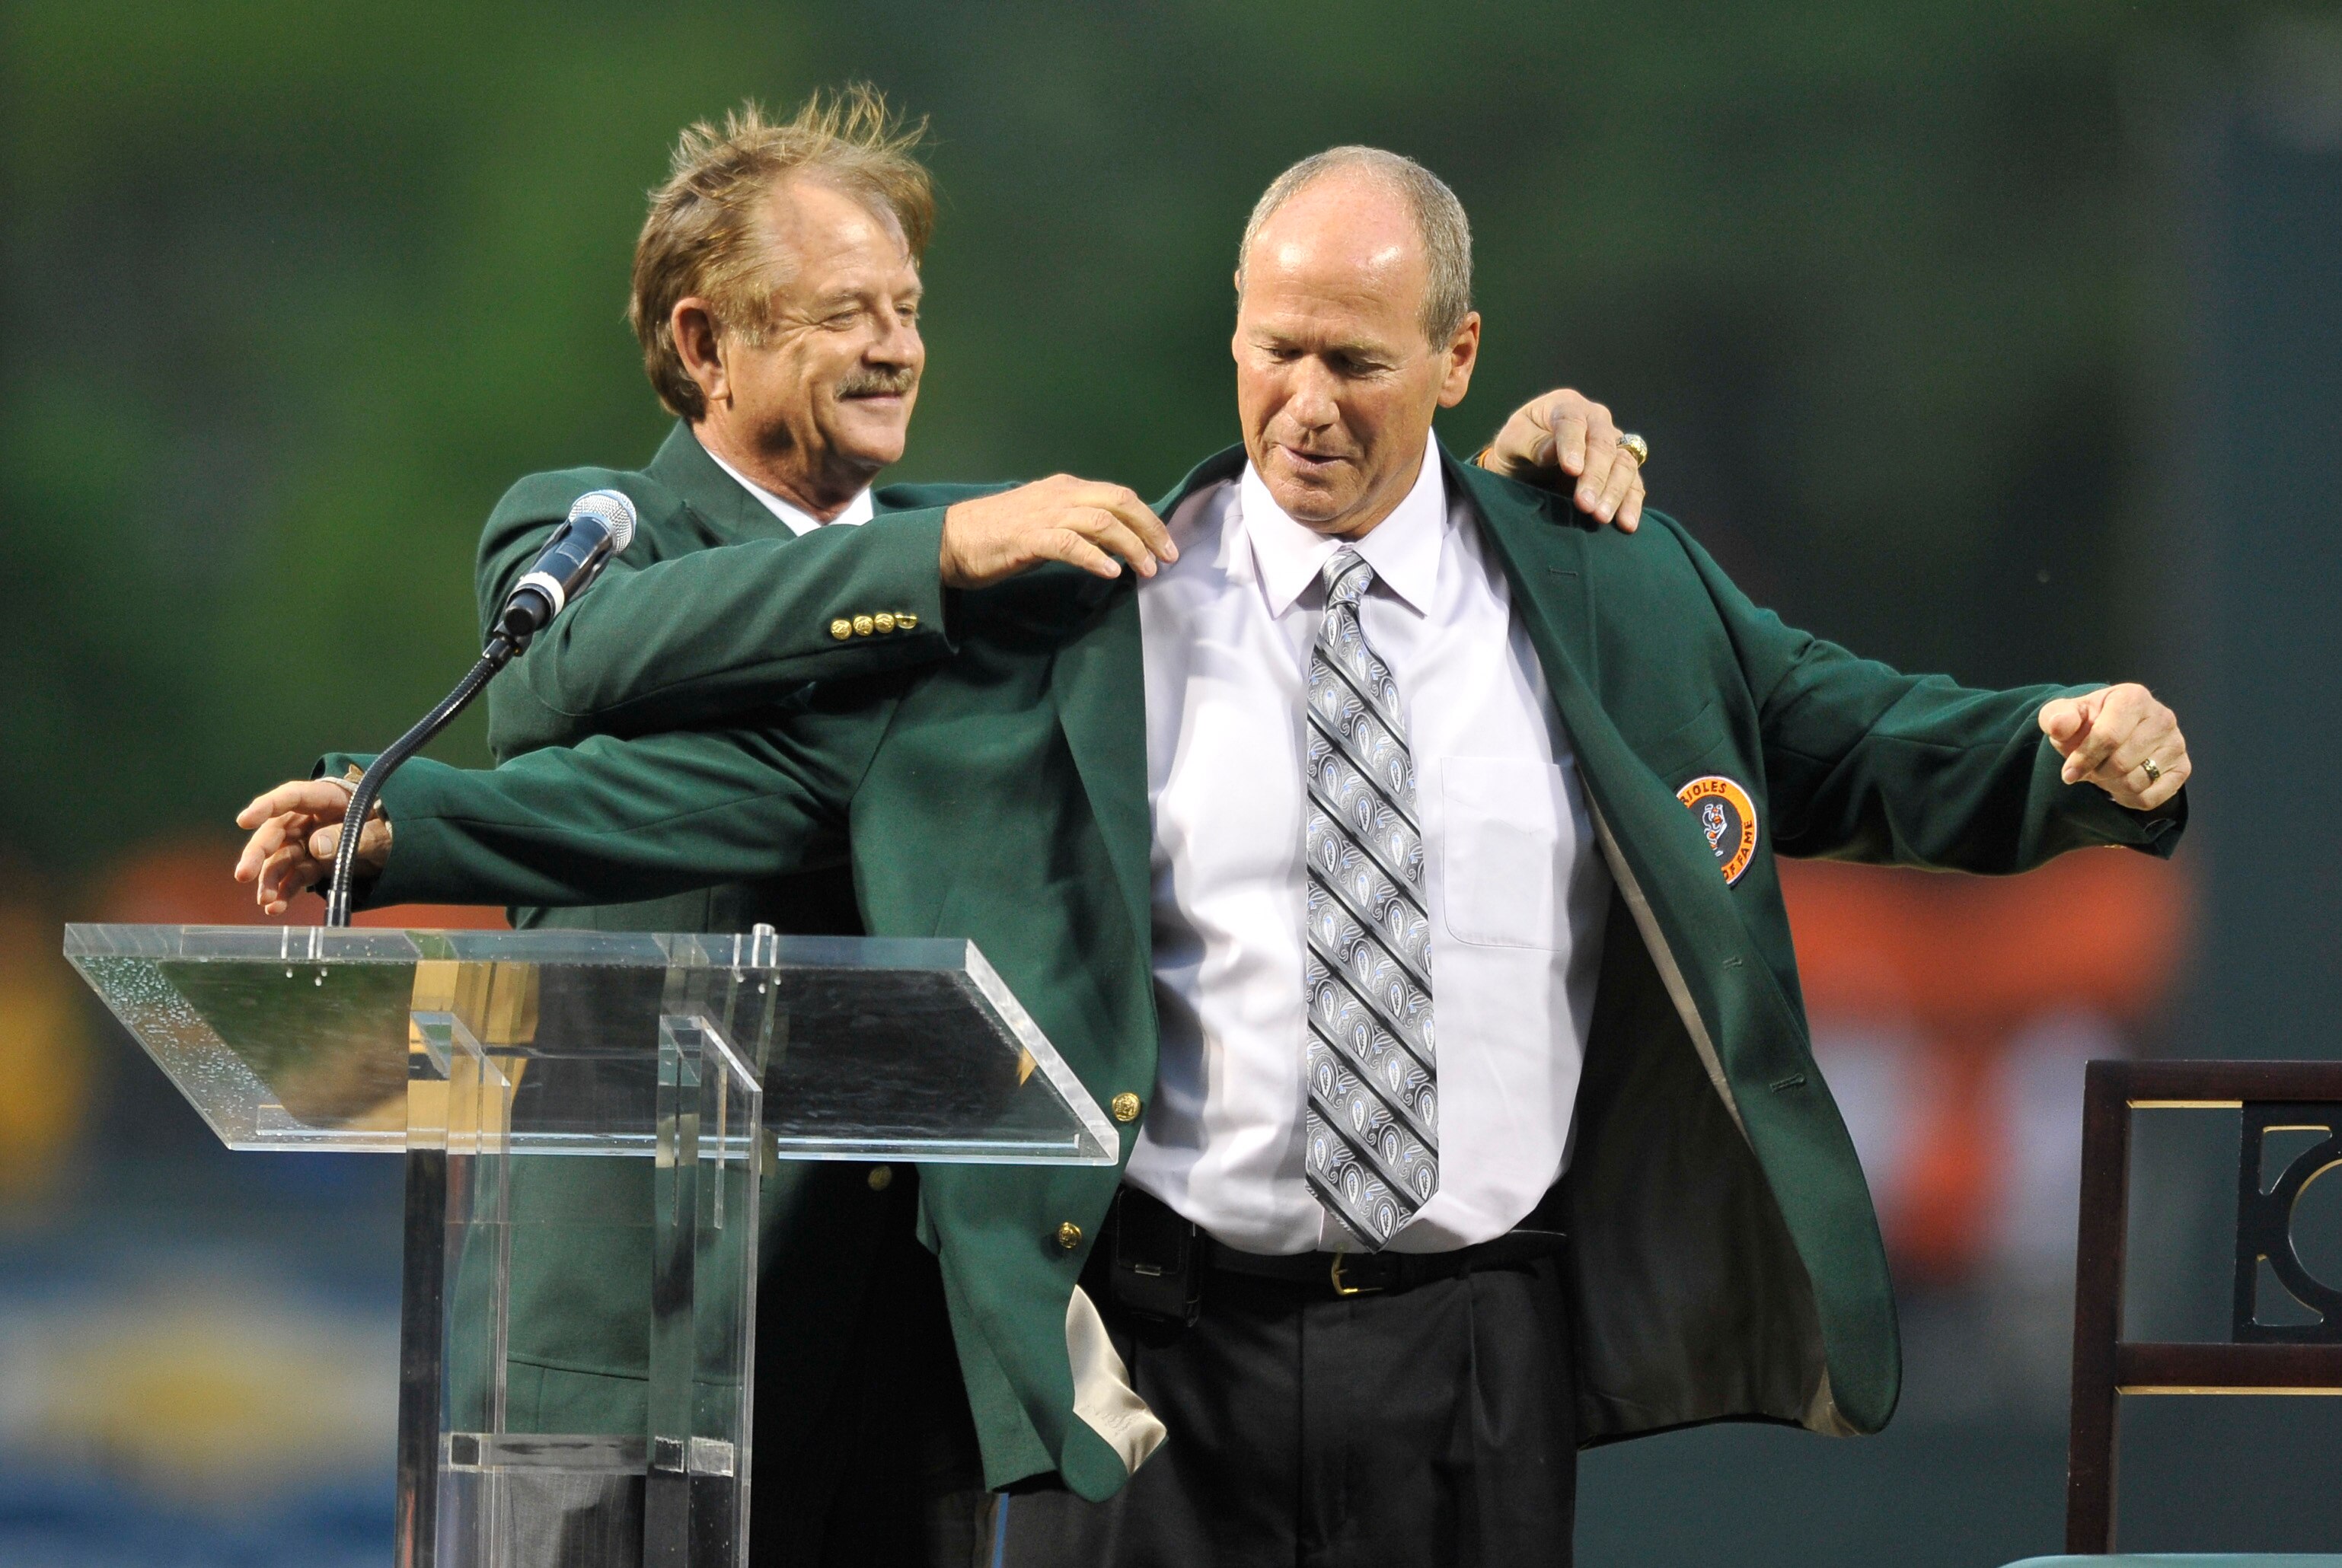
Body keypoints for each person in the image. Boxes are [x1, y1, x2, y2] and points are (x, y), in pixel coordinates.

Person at [239, 147, 2190, 1566]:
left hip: (1478, 1344)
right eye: (1271, 351)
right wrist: (414, 820)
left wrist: (2064, 758)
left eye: (1355, 356)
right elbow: (754, 798)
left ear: (1457, 353)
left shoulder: (1599, 584)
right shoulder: (1092, 607)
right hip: (1157, 1348)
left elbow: (1843, 737)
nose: (1304, 401)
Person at [257, 90, 1654, 1565]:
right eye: (840, 312)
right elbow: (562, 676)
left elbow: (1260, 564)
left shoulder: (996, 564)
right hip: (603, 1388)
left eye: (907, 307)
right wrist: (929, 554)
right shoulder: (596, 527)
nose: (894, 346)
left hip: (893, 1387)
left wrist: (1487, 484)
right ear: (700, 344)